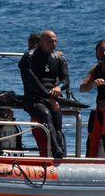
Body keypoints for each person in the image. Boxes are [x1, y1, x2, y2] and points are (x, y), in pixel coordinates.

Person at [19, 29, 69, 159]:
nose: (53, 44)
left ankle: (59, 154)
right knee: (45, 115)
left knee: (57, 119)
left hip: (52, 98)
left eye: (55, 41)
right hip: (34, 99)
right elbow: (33, 82)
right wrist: (48, 98)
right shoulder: (29, 57)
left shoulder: (58, 58)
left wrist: (59, 87)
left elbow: (66, 80)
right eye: (50, 41)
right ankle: (56, 149)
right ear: (41, 42)